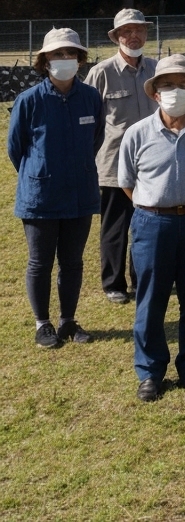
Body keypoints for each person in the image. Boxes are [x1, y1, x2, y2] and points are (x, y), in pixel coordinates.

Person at [119, 54, 185, 402]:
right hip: (153, 223)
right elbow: (126, 182)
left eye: (184, 85)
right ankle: (150, 372)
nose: (176, 91)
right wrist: (156, 203)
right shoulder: (137, 134)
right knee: (150, 302)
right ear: (155, 93)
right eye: (168, 85)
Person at [8, 28, 104, 348]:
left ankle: (67, 320)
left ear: (79, 59)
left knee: (73, 261)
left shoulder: (91, 97)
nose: (64, 60)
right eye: (57, 54)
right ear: (45, 60)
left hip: (80, 192)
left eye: (70, 54)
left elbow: (97, 138)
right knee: (40, 261)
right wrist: (38, 173)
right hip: (40, 196)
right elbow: (15, 148)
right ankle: (42, 323)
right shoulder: (28, 101)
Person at [85, 8, 156, 304]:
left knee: (147, 225)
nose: (134, 35)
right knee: (115, 227)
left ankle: (142, 279)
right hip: (113, 164)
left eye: (138, 30)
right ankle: (113, 283)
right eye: (127, 31)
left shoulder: (157, 69)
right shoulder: (101, 73)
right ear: (117, 37)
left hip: (152, 164)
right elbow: (88, 119)